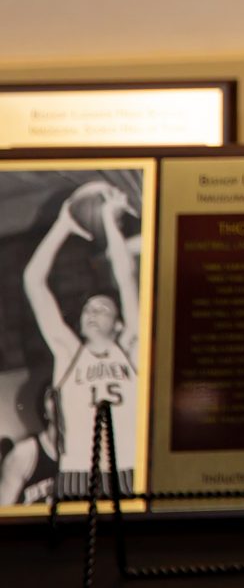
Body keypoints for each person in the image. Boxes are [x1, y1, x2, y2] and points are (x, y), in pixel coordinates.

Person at [20, 180, 143, 502]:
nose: (91, 312)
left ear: (118, 324)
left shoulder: (130, 347)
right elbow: (33, 281)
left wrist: (110, 221)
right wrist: (63, 224)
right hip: (78, 473)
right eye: (88, 308)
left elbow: (126, 278)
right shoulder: (68, 353)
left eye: (102, 309)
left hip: (129, 470)